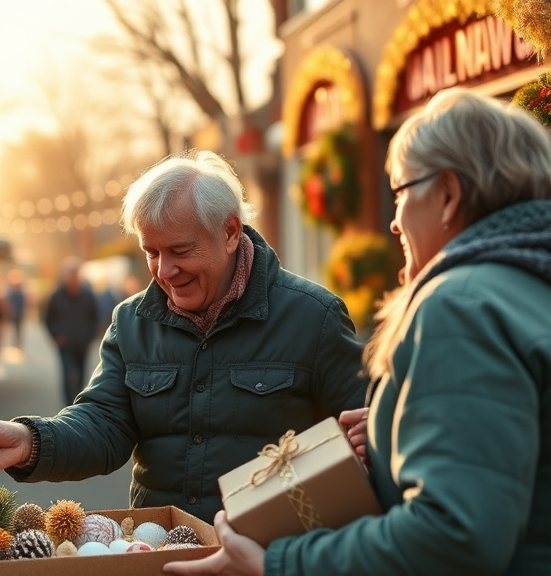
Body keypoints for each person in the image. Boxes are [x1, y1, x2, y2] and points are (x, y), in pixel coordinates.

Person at [163, 89, 551, 576]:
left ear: (449, 195)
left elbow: (455, 536)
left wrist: (277, 563)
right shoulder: (528, 287)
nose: (393, 221)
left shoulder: (461, 304)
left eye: (401, 192)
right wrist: (401, 427)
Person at [0, 149, 368, 524]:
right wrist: (30, 441)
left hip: (271, 554)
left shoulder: (315, 318)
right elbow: (103, 423)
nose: (164, 271)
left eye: (180, 251)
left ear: (230, 232)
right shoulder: (130, 322)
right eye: (151, 252)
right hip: (159, 552)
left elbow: (368, 436)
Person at [43, 256, 100, 405]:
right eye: (69, 273)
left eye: (75, 273)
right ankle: (67, 405)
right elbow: (47, 319)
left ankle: (78, 404)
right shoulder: (56, 295)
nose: (72, 277)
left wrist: (90, 336)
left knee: (82, 375)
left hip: (83, 343)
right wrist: (56, 336)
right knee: (67, 375)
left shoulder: (87, 295)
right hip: (65, 344)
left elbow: (95, 317)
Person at [5, 269, 28, 348]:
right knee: (13, 330)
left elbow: (24, 302)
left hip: (19, 313)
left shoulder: (20, 292)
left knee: (18, 330)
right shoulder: (11, 293)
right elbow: (8, 303)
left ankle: (17, 343)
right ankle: (14, 343)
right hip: (14, 313)